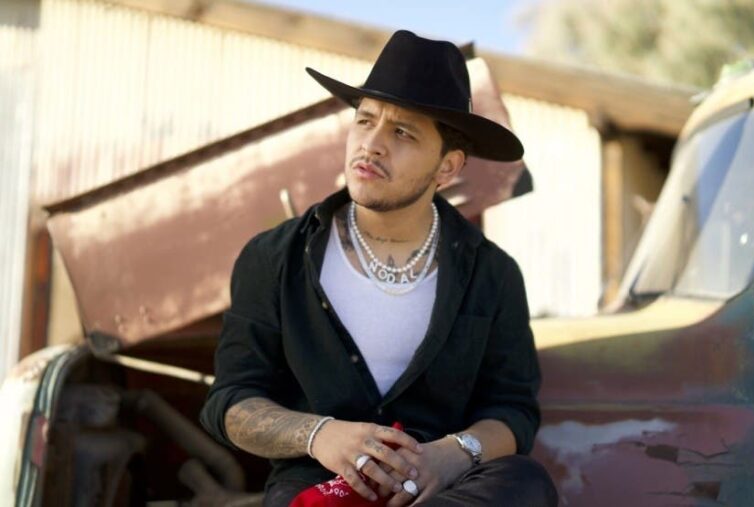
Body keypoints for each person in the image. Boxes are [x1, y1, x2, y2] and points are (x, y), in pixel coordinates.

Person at [200, 30, 558, 507]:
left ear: (447, 167)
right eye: (365, 121)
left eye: (402, 133)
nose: (371, 144)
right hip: (320, 484)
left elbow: (513, 411)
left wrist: (451, 455)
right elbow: (231, 402)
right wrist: (320, 435)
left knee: (526, 484)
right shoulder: (275, 257)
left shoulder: (492, 273)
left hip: (442, 489)